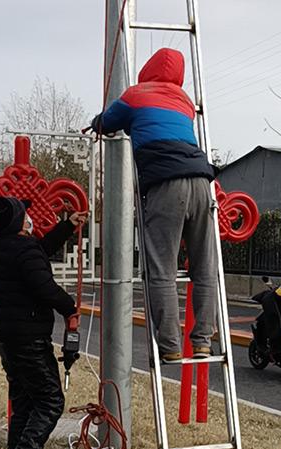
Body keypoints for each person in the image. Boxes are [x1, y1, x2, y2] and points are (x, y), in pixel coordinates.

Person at [90, 48, 218, 362]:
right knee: (205, 268)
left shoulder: (136, 94)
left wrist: (96, 123)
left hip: (165, 184)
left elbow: (106, 122)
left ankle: (171, 346)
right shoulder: (186, 101)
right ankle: (203, 340)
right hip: (203, 182)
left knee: (162, 268)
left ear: (148, 68)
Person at [0, 196, 88, 449]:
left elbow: (38, 251)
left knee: (24, 401)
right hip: (29, 339)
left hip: (8, 336)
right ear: (18, 222)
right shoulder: (23, 250)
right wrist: (70, 307)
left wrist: (66, 226)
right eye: (25, 214)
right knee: (50, 401)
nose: (30, 218)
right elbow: (44, 286)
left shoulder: (2, 246)